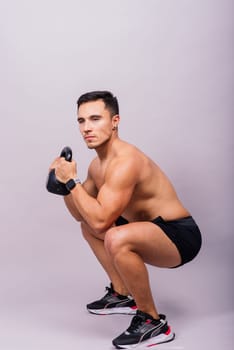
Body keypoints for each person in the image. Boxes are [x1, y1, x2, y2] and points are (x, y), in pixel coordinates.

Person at [49, 90, 202, 349]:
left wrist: (71, 182)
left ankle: (153, 323)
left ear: (115, 121)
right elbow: (82, 215)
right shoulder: (97, 166)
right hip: (145, 229)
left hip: (179, 236)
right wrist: (64, 187)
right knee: (89, 226)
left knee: (114, 235)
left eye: (95, 119)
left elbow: (101, 222)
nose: (87, 128)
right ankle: (122, 295)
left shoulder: (126, 161)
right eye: (81, 121)